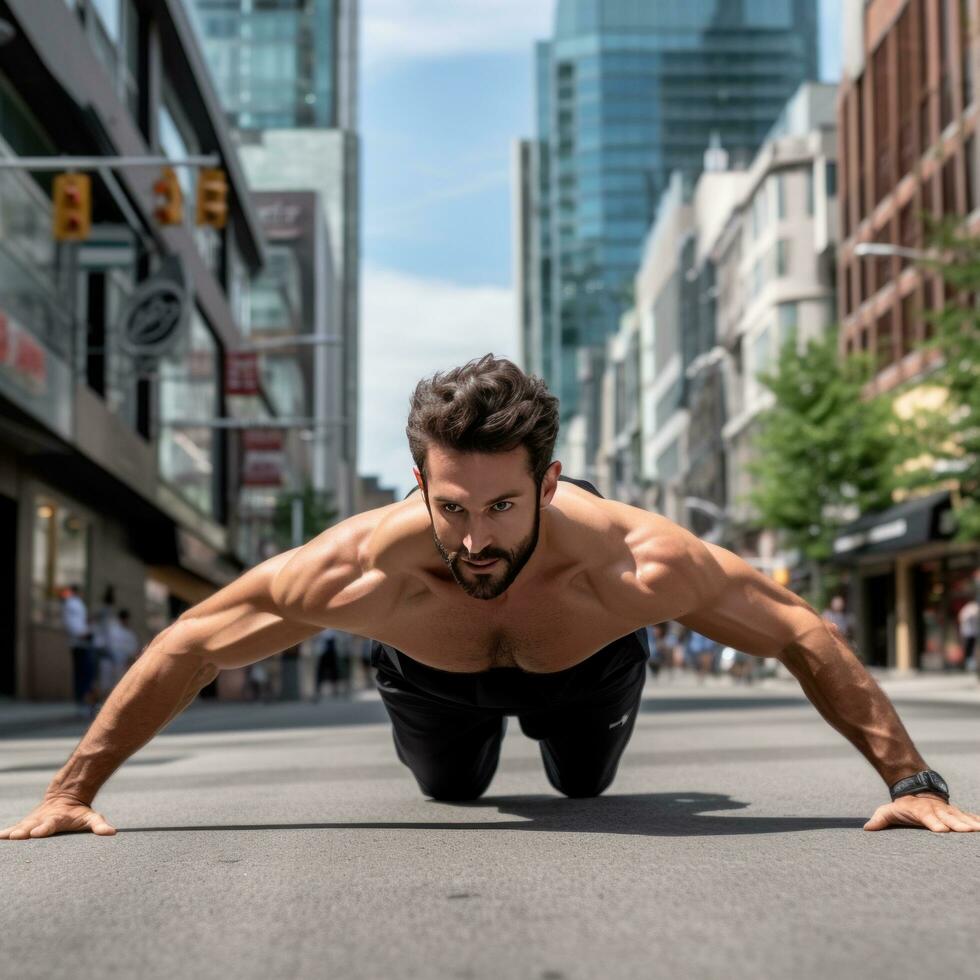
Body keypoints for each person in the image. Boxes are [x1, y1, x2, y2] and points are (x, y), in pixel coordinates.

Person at [4, 354, 978, 841]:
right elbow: (193, 642)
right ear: (418, 484)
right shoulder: (357, 566)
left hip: (585, 669)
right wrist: (71, 789)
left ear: (550, 484)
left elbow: (798, 630)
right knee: (454, 789)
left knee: (582, 787)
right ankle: (454, 741)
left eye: (502, 506)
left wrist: (910, 782)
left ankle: (586, 724)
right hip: (431, 680)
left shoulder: (638, 561)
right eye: (452, 507)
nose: (474, 539)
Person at [60, 584, 94, 714]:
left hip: (82, 641)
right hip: (80, 642)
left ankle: (84, 702)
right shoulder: (72, 604)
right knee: (83, 674)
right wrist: (82, 633)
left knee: (85, 674)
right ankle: (82, 703)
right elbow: (72, 623)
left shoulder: (76, 604)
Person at [957, 597, 978, 676]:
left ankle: (970, 663)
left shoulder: (969, 609)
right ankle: (967, 664)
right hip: (968, 633)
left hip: (973, 633)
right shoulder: (968, 610)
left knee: (971, 648)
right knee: (968, 648)